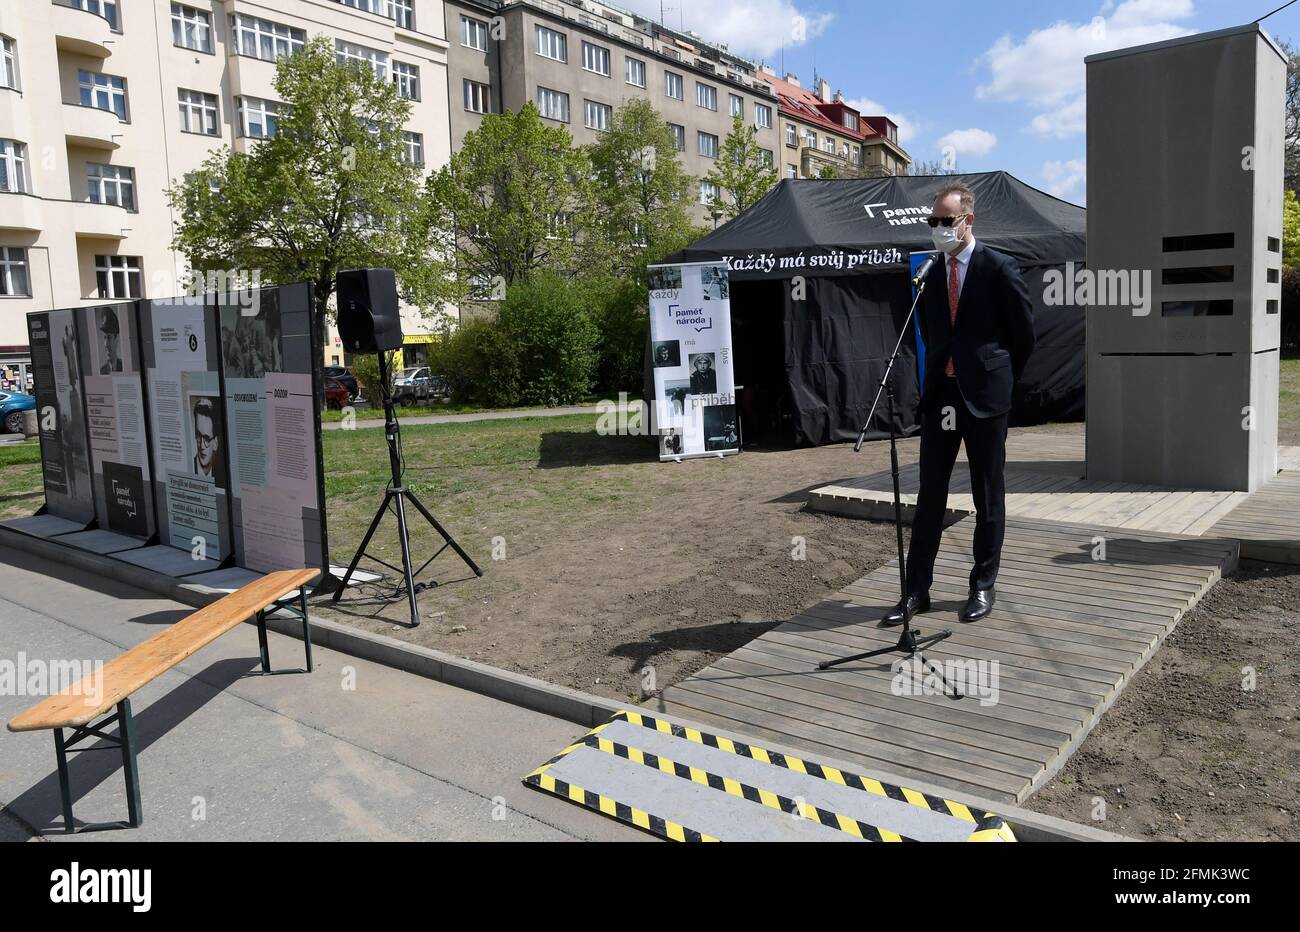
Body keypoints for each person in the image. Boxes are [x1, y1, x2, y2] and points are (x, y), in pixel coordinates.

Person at [883, 184, 1035, 627]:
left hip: (986, 401)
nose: (937, 229)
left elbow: (1023, 337)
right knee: (930, 493)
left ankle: (982, 586)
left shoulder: (999, 267)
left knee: (988, 495)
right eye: (932, 222)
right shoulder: (930, 272)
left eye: (945, 221)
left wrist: (997, 380)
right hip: (942, 397)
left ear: (968, 220)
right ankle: (916, 591)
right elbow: (931, 334)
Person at [192, 397, 221, 481]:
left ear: (215, 443)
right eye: (198, 435)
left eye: (207, 439)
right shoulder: (186, 466)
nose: (201, 445)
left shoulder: (222, 477)